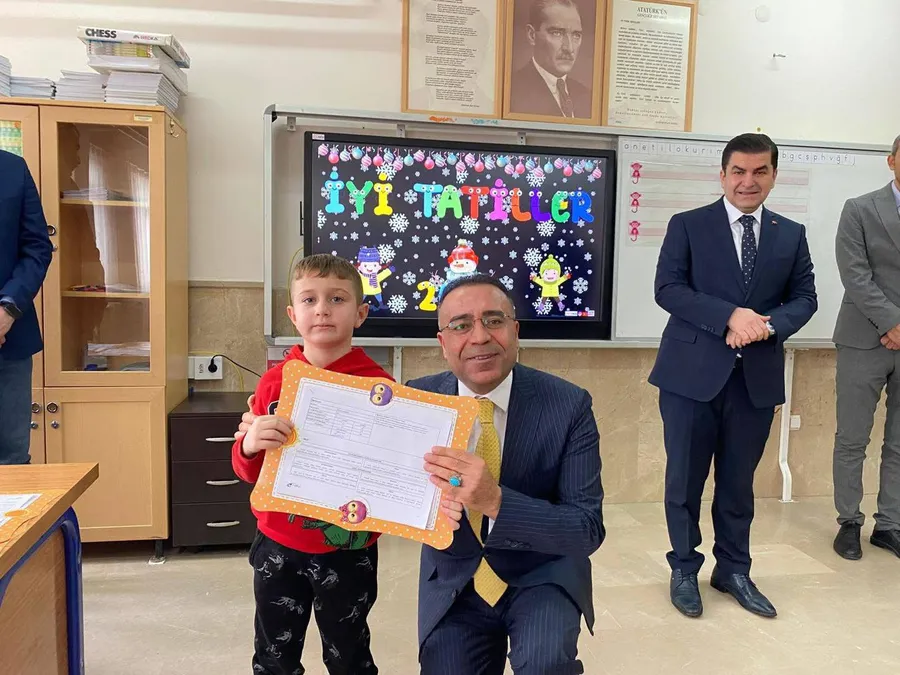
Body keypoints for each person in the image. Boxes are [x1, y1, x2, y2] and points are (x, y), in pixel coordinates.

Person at [649, 133, 817, 619]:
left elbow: (805, 298)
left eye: (760, 171)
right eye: (739, 171)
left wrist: (766, 325)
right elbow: (668, 289)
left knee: (738, 484)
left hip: (755, 380)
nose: (749, 181)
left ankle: (733, 570)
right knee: (684, 482)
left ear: (773, 176)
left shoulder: (791, 233)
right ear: (722, 175)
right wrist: (729, 316)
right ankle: (684, 569)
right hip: (690, 377)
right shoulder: (688, 225)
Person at [412, 274, 604, 674]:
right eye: (461, 325)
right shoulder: (419, 400)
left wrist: (495, 501)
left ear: (515, 331)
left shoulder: (569, 405)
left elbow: (586, 529)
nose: (480, 336)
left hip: (541, 570)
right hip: (455, 575)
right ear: (442, 343)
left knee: (545, 664)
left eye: (494, 320)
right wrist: (282, 435)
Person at [232, 254, 393, 675]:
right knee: (274, 655)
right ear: (293, 314)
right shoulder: (275, 382)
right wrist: (249, 445)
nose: (322, 309)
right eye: (309, 299)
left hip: (349, 547)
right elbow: (249, 471)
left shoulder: (382, 389)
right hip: (277, 542)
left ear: (360, 314)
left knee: (349, 654)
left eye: (337, 298)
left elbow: (389, 472)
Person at [831, 133, 900, 561]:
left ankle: (889, 524)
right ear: (892, 160)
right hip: (863, 338)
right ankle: (849, 521)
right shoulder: (859, 208)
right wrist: (894, 323)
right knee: (853, 437)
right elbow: (855, 275)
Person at [0, 149, 52, 465]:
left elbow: (37, 248)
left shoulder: (12, 168)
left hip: (8, 343)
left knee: (12, 460)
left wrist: (8, 309)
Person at [509, 0, 592, 119]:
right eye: (557, 33)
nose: (569, 48)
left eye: (576, 35)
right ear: (532, 35)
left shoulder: (587, 96)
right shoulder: (511, 92)